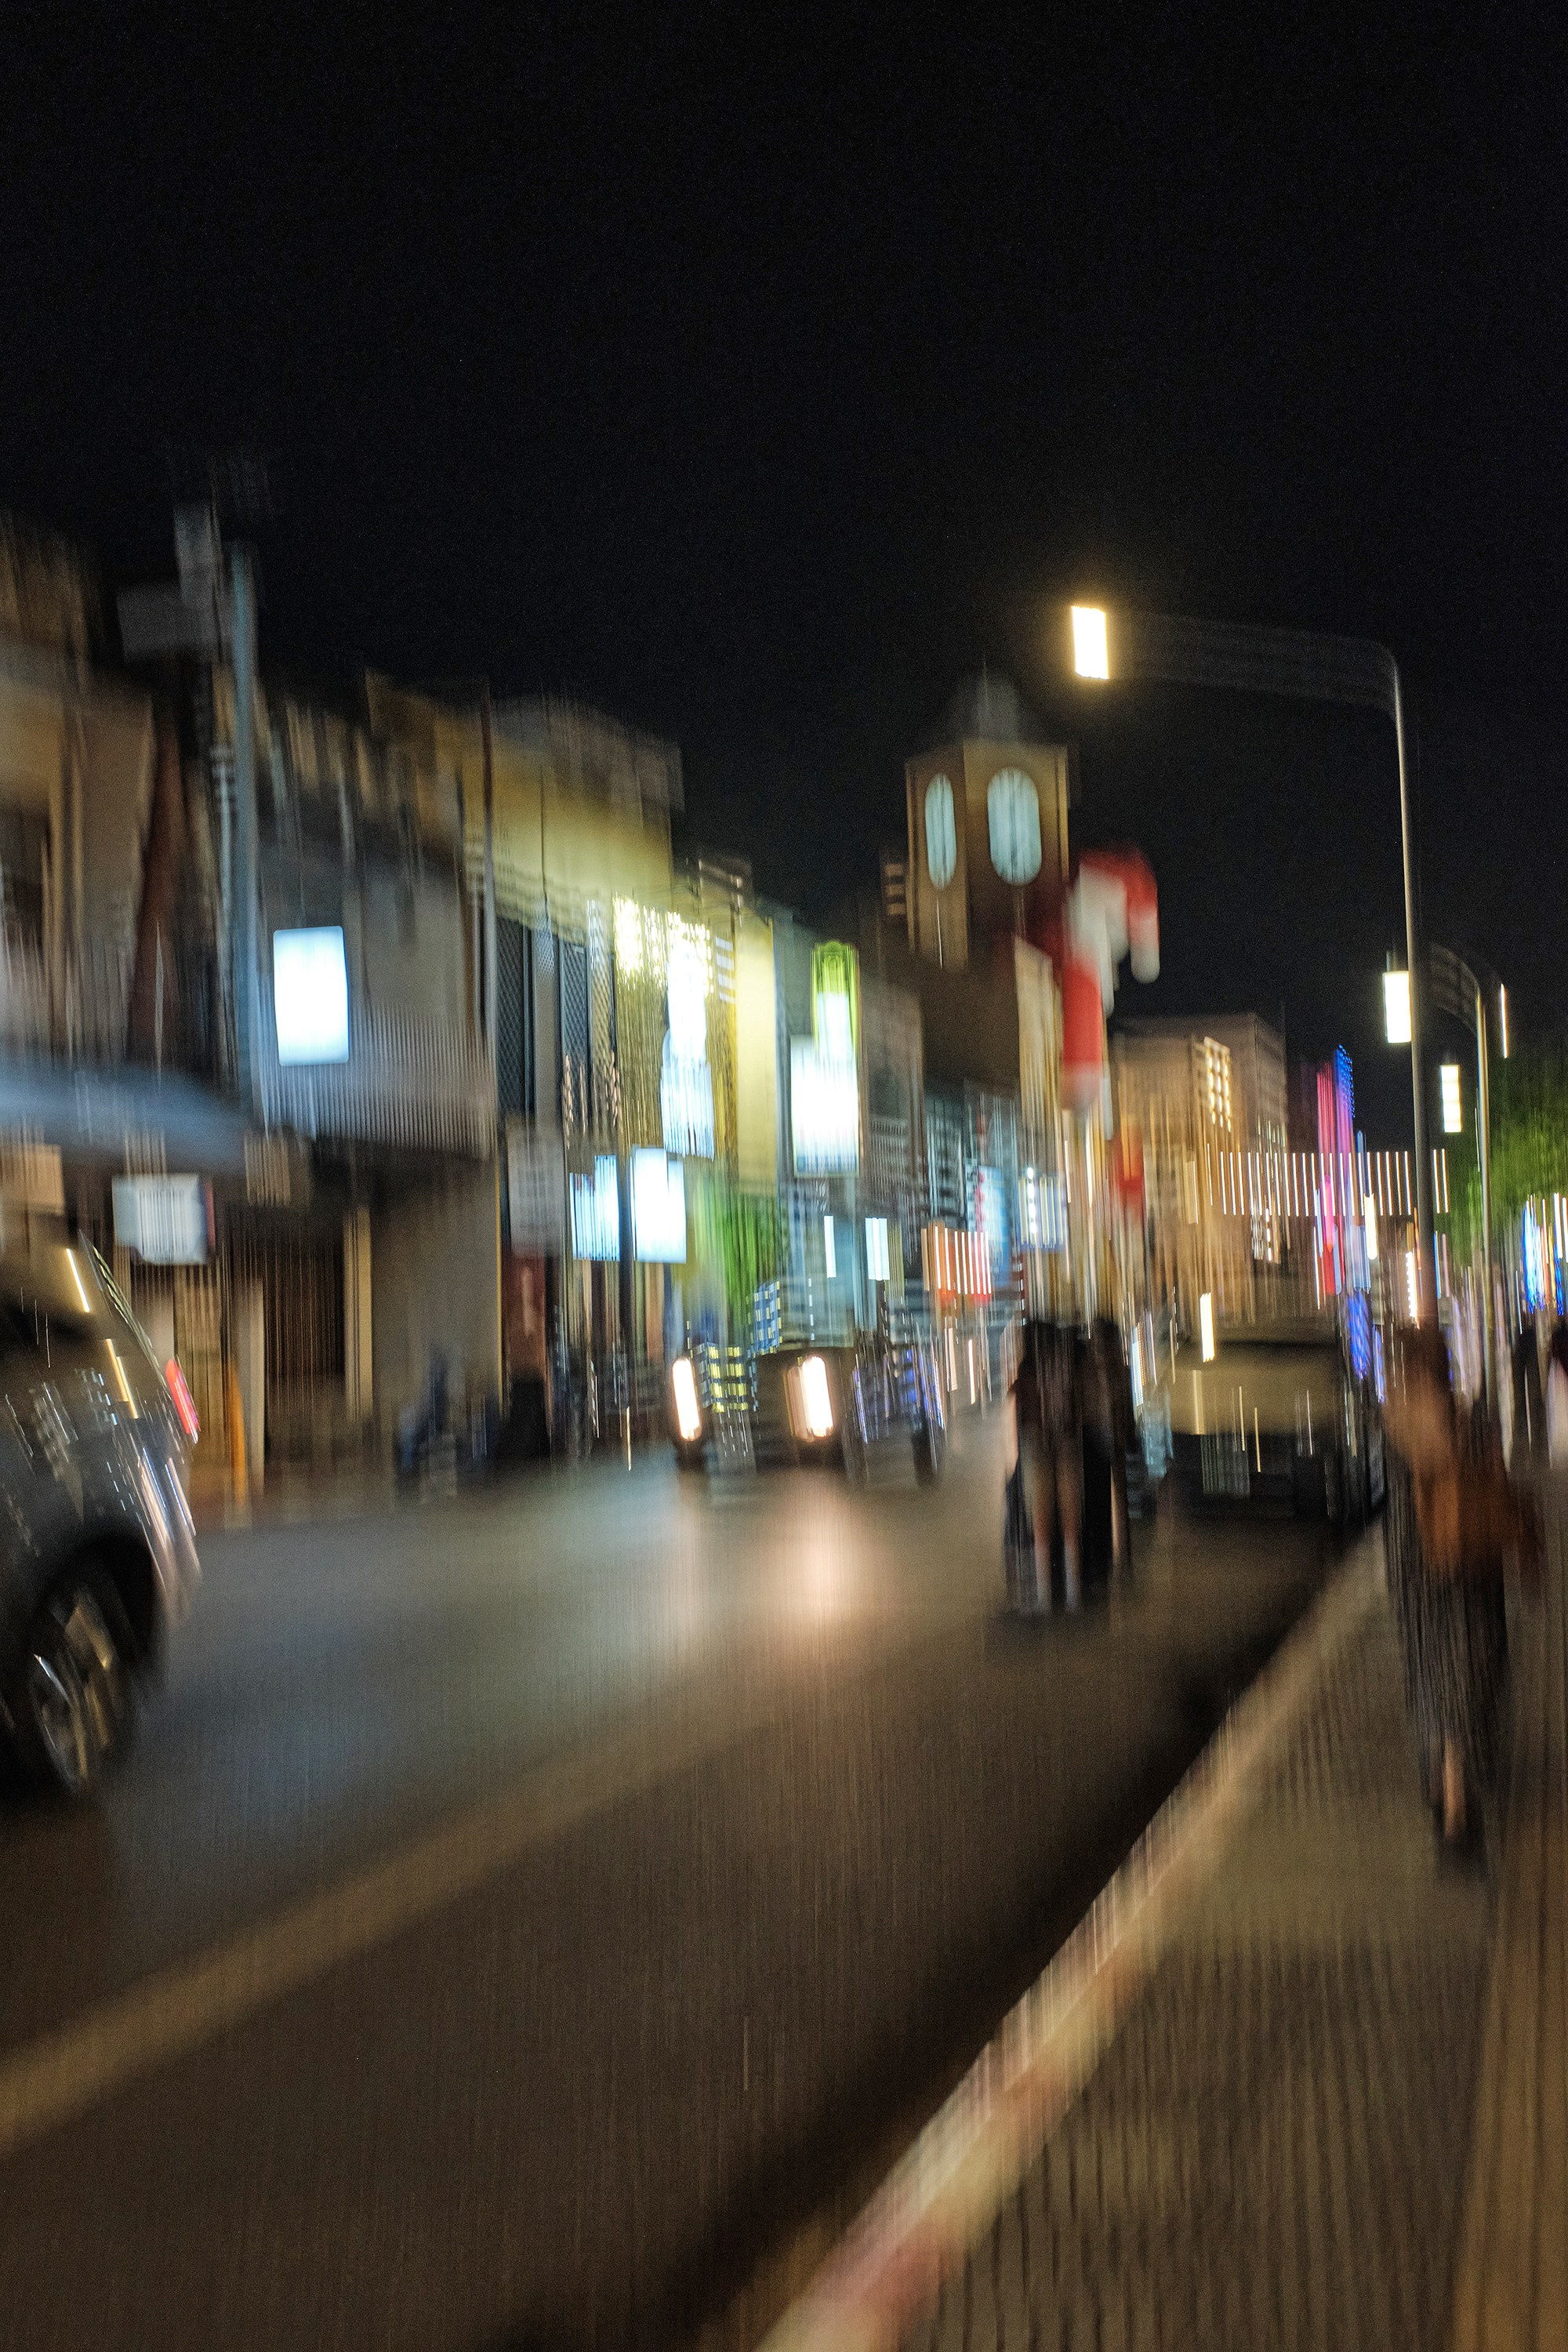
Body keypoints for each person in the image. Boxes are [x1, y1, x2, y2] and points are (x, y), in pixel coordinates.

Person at [1383, 1325, 1513, 1853]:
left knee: (1430, 1675)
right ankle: (1458, 1807)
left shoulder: (1392, 1421)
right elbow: (1496, 1481)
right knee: (1467, 1673)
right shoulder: (1470, 1419)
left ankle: (1442, 1784)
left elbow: (1397, 1507)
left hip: (1415, 1573)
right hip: (1466, 1569)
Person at [1012, 1319, 1083, 1612]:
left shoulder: (1027, 1371)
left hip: (1037, 1443)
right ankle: (1073, 1592)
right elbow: (1074, 1405)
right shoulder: (1065, 1366)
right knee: (1069, 1521)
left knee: (1042, 1521)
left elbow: (1020, 1409)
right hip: (1065, 1442)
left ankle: (1045, 1594)